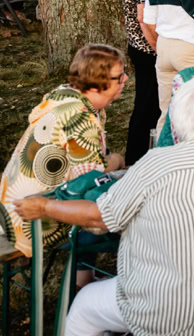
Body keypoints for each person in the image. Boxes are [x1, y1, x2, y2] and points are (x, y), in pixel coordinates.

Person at [16, 74, 194, 336]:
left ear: (178, 119)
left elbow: (100, 217)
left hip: (175, 311)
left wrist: (44, 208)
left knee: (83, 305)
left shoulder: (156, 163)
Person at [0, 45, 127, 257]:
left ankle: (82, 279)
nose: (125, 80)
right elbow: (89, 179)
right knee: (121, 215)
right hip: (34, 222)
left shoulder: (65, 97)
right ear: (96, 85)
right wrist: (116, 160)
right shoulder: (80, 117)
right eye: (119, 77)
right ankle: (99, 283)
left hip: (11, 211)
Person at [123, 0, 171, 165]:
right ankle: (138, 159)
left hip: (139, 45)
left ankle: (141, 157)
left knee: (148, 105)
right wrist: (159, 50)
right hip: (146, 47)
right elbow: (145, 20)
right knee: (147, 105)